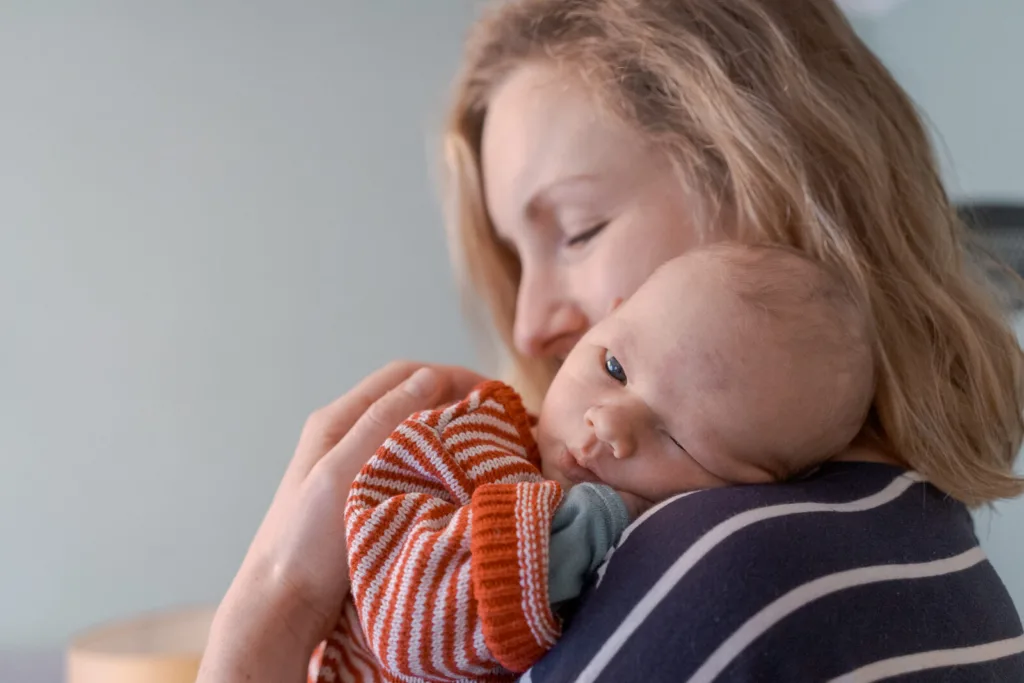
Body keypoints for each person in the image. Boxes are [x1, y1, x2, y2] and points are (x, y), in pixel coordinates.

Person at [197, 1, 1024, 681]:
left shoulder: (720, 573)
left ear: (775, 183)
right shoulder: (914, 537)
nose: (528, 324)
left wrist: (276, 607)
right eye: (516, 257)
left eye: (578, 228)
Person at [311, 244, 876, 682]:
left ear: (752, 489)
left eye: (677, 440)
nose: (608, 424)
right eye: (614, 368)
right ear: (602, 323)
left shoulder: (678, 551)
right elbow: (404, 624)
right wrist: (574, 533)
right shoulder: (464, 445)